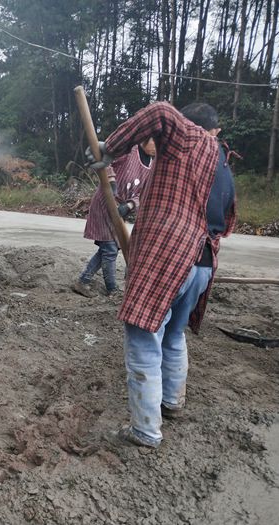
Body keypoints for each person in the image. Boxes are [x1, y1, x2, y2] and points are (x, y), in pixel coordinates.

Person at [86, 102, 235, 449]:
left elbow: (162, 113)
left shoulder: (190, 137)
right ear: (215, 130)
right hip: (202, 263)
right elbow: (226, 220)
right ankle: (172, 401)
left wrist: (111, 148)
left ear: (189, 124)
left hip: (169, 258)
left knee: (143, 336)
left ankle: (146, 430)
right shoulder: (221, 161)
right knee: (173, 334)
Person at [72, 138, 155, 297]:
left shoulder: (152, 165)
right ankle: (112, 289)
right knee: (109, 249)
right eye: (154, 142)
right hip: (105, 203)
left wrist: (129, 205)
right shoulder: (129, 150)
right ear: (145, 139)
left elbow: (142, 193)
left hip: (120, 209)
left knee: (111, 247)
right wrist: (111, 180)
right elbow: (105, 157)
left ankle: (83, 280)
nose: (157, 147)